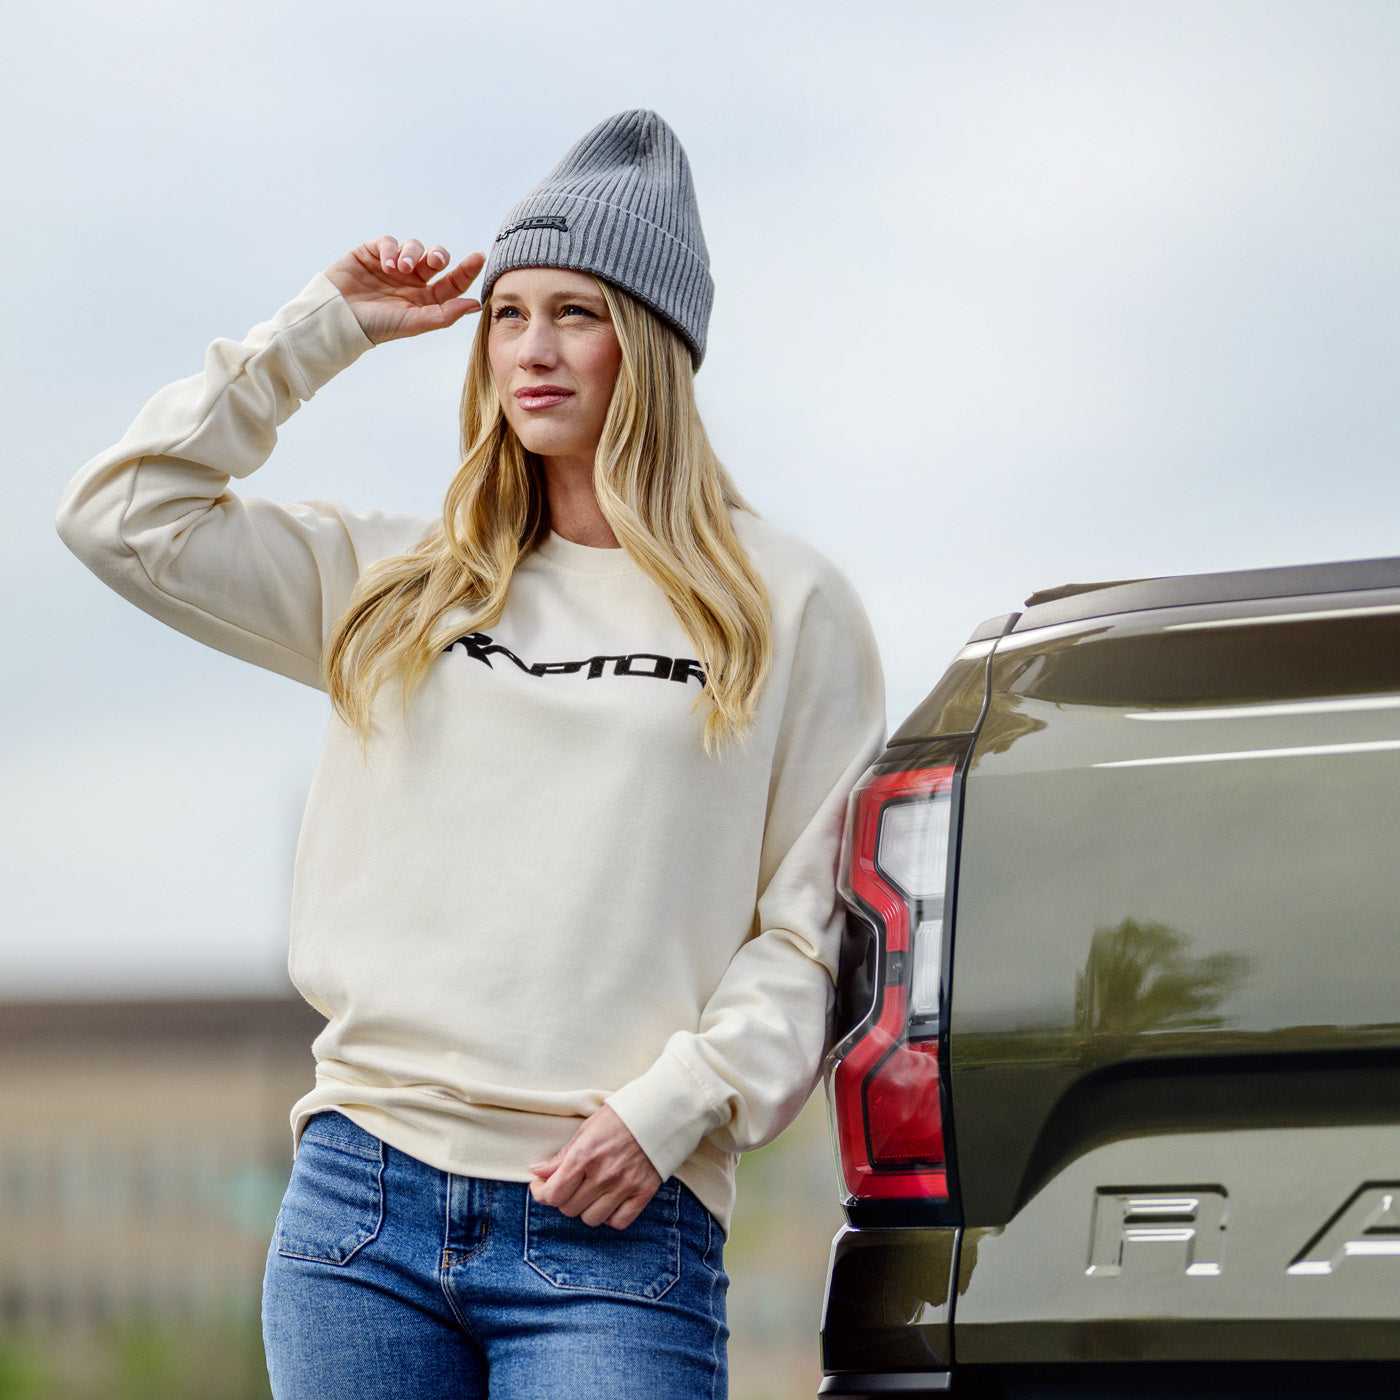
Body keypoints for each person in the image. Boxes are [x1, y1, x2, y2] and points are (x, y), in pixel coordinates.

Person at [57, 110, 884, 1400]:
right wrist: (323, 324)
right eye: (509, 313)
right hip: (360, 1210)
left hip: (612, 1216)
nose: (534, 351)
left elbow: (814, 929)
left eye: (579, 313)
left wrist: (672, 1112)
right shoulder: (393, 583)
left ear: (653, 346)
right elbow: (120, 516)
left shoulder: (781, 603)